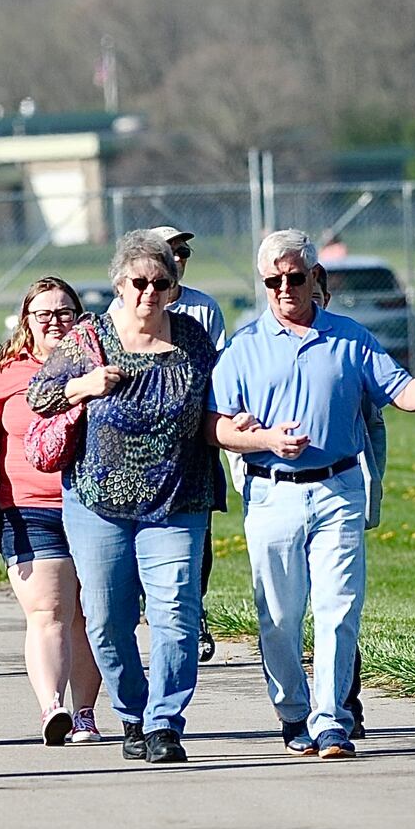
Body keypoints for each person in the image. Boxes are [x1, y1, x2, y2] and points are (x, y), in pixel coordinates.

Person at [208, 229, 415, 759]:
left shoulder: (351, 338)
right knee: (279, 617)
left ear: (316, 277)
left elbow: (404, 393)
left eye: (295, 277)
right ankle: (293, 712)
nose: (285, 288)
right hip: (271, 494)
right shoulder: (242, 348)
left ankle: (332, 719)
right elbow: (215, 427)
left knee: (338, 609)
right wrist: (264, 439)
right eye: (273, 281)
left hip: (337, 488)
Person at [28, 237, 225, 763]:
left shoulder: (193, 339)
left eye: (161, 284)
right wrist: (84, 386)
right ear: (120, 286)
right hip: (97, 502)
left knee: (176, 615)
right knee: (107, 618)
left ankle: (164, 722)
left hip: (179, 500)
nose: (149, 293)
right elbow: (38, 396)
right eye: (138, 283)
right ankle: (132, 713)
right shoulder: (90, 337)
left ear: (174, 289)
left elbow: (220, 400)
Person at [0, 278, 106, 745]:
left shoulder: (99, 362)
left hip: (94, 504)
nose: (54, 322)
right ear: (25, 321)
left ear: (79, 316)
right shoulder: (2, 372)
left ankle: (86, 712)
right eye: (43, 315)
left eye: (64, 313)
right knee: (47, 610)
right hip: (27, 507)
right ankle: (53, 707)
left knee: (87, 614)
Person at [146, 226, 229, 664]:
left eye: (184, 252)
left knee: (198, 534)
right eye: (170, 252)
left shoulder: (203, 308)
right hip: (142, 445)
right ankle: (152, 605)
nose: (179, 259)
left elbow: (220, 371)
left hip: (194, 440)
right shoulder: (129, 304)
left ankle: (192, 614)